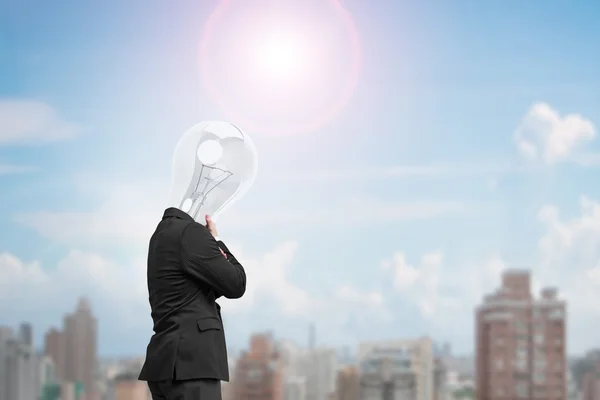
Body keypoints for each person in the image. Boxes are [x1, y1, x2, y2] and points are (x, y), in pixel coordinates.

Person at [138, 207, 246, 400]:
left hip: (164, 363)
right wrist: (215, 241)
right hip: (192, 366)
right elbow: (236, 284)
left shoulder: (159, 236)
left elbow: (192, 290)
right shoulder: (190, 232)